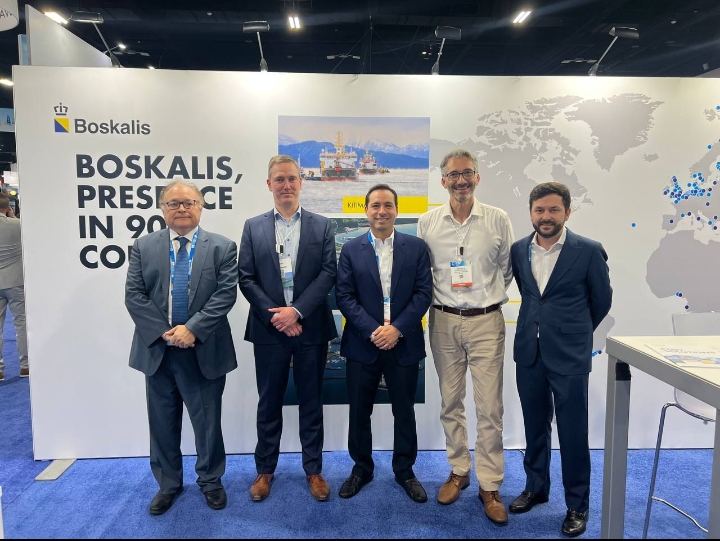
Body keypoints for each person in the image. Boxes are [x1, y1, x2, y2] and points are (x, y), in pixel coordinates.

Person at [125, 180, 238, 515]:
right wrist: (166, 333)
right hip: (158, 352)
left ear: (200, 207)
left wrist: (193, 329)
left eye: (189, 202)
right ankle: (168, 485)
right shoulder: (143, 246)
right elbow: (135, 296)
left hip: (204, 350)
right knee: (162, 424)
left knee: (207, 425)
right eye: (173, 204)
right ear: (163, 209)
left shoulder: (223, 247)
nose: (182, 209)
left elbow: (225, 295)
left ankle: (211, 482)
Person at [508, 181, 612, 537]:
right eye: (539, 210)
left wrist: (572, 333)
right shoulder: (519, 249)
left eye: (554, 209)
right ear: (531, 213)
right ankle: (536, 488)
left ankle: (577, 505)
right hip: (529, 353)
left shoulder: (588, 251)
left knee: (572, 431)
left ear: (567, 212)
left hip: (569, 355)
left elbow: (601, 301)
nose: (546, 216)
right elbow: (529, 295)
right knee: (535, 426)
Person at [417, 149, 514, 524]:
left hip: (486, 321)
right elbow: (424, 272)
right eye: (454, 175)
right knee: (450, 402)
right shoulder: (428, 222)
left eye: (467, 173)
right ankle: (459, 470)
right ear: (443, 181)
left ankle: (490, 484)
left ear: (477, 177)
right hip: (443, 320)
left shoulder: (497, 219)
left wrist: (482, 298)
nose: (461, 180)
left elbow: (506, 269)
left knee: (490, 408)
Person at [238, 155, 337, 502]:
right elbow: (246, 277)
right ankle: (265, 470)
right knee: (269, 403)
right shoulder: (253, 227)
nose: (286, 185)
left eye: (292, 179)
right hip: (269, 330)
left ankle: (314, 470)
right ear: (269, 184)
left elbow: (328, 273)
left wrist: (296, 312)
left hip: (311, 328)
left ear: (301, 182)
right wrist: (277, 316)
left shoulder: (322, 226)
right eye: (279, 179)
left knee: (311, 401)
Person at [335, 184, 433, 502]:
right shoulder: (351, 249)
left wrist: (397, 329)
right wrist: (374, 330)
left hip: (403, 342)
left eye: (388, 205)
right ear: (366, 210)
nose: (382, 211)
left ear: (397, 210)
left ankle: (405, 471)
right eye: (375, 205)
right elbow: (344, 296)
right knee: (359, 412)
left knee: (404, 411)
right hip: (363, 343)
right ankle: (361, 469)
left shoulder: (416, 247)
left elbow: (423, 293)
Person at [0, 193, 27, 381]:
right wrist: (13, 218)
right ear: (8, 206)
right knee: (21, 324)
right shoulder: (18, 225)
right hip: (16, 281)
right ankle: (25, 366)